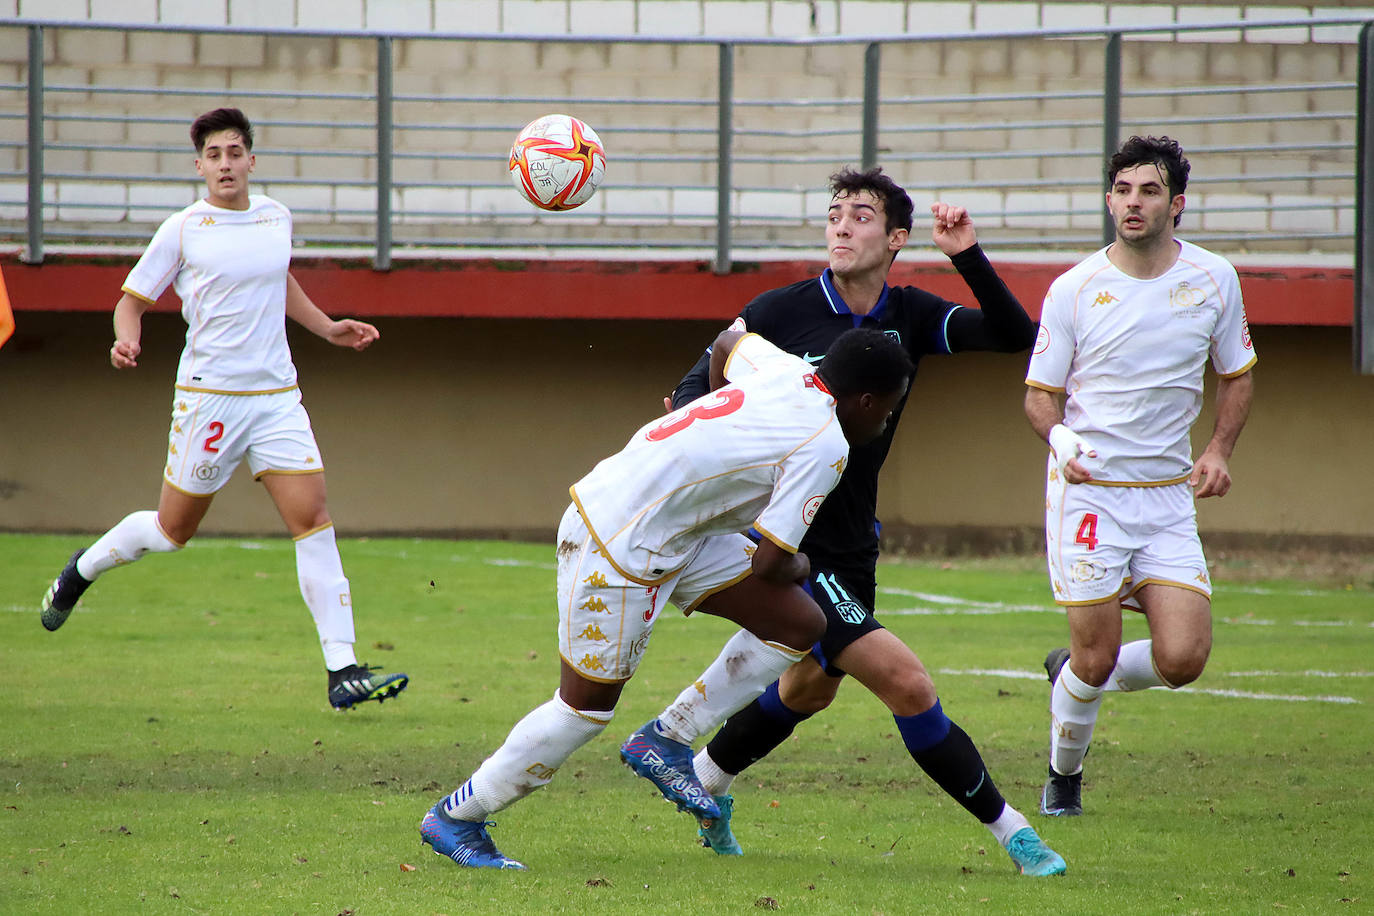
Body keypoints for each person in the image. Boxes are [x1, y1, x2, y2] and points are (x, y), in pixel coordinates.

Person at [632, 167, 1066, 877]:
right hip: (786, 537)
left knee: (811, 685)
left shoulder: (914, 313)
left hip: (853, 540)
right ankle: (1015, 834)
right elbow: (693, 385)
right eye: (834, 214)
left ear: (896, 237)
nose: (840, 226)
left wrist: (966, 256)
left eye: (860, 216)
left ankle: (707, 780)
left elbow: (1015, 334)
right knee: (907, 683)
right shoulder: (778, 310)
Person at [418, 327, 914, 870]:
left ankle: (667, 737)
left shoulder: (788, 369)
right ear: (865, 400)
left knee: (799, 623)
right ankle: (457, 817)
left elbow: (728, 342)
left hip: (670, 527)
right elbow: (773, 563)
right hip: (618, 541)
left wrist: (698, 418)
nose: (887, 421)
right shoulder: (828, 445)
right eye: (889, 409)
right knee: (583, 711)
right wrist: (805, 561)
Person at [38, 107, 409, 712]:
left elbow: (277, 280)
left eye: (235, 153)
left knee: (312, 518)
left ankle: (342, 669)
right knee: (170, 531)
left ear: (251, 161)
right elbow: (131, 301)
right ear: (200, 167)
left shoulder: (275, 217)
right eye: (214, 155)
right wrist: (125, 337)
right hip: (210, 398)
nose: (226, 164)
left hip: (276, 397)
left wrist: (326, 328)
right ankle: (82, 570)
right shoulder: (183, 229)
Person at [1024, 135, 1256, 816]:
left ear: (1176, 204)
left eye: (1149, 190)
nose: (1133, 202)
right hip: (1088, 495)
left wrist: (1217, 451)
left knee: (1183, 658)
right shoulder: (1074, 288)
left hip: (1166, 498)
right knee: (1096, 661)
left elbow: (1236, 374)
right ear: (1108, 199)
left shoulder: (1215, 279)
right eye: (1122, 189)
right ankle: (1064, 777)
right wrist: (1063, 436)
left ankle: (1066, 677)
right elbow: (1039, 394)